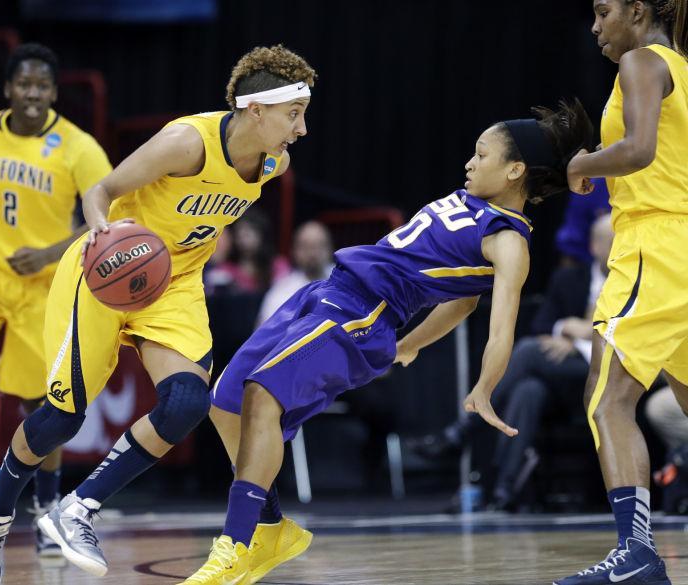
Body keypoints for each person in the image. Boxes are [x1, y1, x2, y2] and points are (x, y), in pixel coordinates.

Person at [180, 99, 594, 584]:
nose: (469, 162)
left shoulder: (508, 241)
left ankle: (233, 546)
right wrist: (411, 345)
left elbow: (500, 327)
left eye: (482, 155)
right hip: (325, 292)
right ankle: (270, 528)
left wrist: (484, 387)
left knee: (262, 395)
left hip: (362, 313)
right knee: (225, 402)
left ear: (514, 171)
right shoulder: (469, 202)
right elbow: (458, 300)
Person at [0, 44, 316, 585]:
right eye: (294, 114)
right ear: (255, 109)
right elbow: (101, 191)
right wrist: (102, 231)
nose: (302, 128)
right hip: (108, 271)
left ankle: (78, 508)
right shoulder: (186, 142)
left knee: (187, 404)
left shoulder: (274, 161)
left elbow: (207, 214)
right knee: (62, 418)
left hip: (174, 285)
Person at [0, 43, 112, 557]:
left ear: (53, 93)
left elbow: (106, 210)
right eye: (24, 84)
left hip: (43, 284)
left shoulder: (78, 146)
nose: (33, 93)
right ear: (9, 88)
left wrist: (51, 252)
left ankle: (45, 510)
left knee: (40, 403)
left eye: (43, 86)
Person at [556, 0, 688, 583]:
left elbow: (638, 150)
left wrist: (582, 162)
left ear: (637, 11)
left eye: (603, 10)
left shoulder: (640, 61)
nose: (595, 26)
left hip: (655, 243)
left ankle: (636, 555)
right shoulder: (683, 67)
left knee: (607, 396)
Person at [410, 213, 614, 511]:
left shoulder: (636, 279)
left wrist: (587, 331)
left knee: (530, 352)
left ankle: (461, 431)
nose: (617, 245)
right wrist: (563, 331)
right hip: (562, 380)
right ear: (594, 246)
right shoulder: (570, 278)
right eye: (610, 241)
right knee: (528, 390)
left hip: (608, 372)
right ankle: (505, 492)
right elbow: (544, 325)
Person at [256, 220, 333, 324]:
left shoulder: (346, 281)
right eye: (306, 247)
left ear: (330, 248)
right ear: (294, 251)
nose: (313, 253)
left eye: (320, 245)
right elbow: (265, 335)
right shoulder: (281, 291)